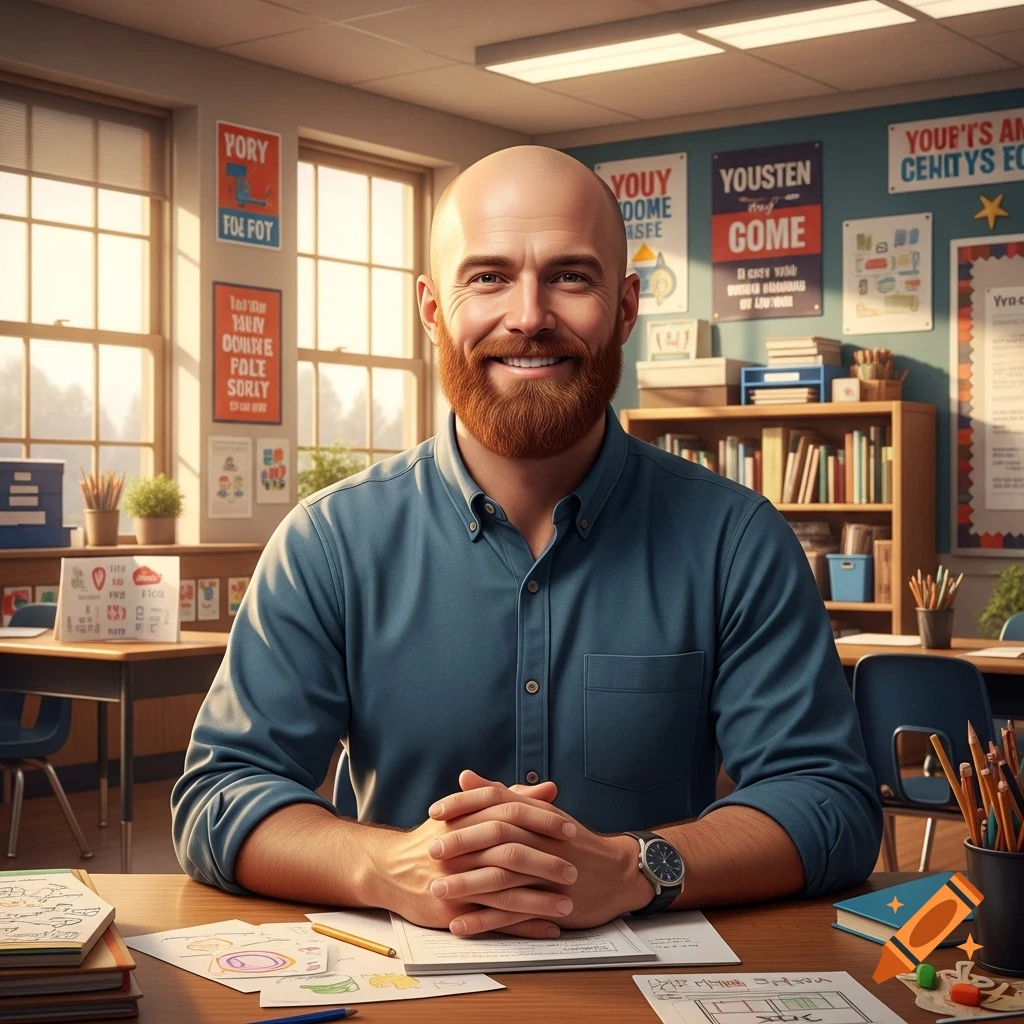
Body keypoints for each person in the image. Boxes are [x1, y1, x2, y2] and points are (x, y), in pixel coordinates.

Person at [172, 146, 881, 939]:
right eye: (488, 277)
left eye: (571, 276)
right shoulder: (328, 542)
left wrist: (634, 868)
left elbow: (827, 800)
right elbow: (220, 794)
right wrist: (389, 867)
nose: (530, 315)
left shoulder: (736, 541)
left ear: (624, 308)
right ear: (433, 309)